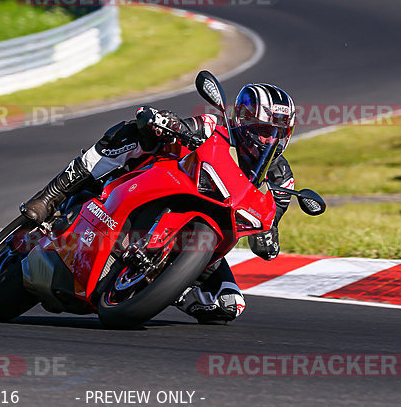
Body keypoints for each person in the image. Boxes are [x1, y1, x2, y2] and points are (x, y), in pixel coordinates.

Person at [21, 83, 297, 324]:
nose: (270, 139)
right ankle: (51, 195)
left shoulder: (281, 178)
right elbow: (182, 126)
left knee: (230, 305)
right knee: (131, 132)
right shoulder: (215, 128)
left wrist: (268, 238)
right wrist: (166, 122)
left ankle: (166, 287)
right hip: (167, 190)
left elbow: (269, 222)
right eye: (263, 130)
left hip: (208, 237)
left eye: (279, 132)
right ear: (244, 121)